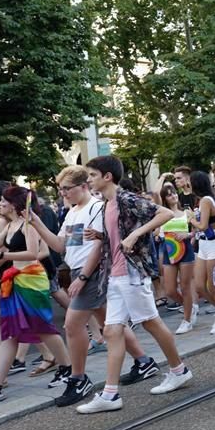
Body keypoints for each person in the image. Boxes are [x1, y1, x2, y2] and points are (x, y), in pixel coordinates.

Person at [30, 166, 156, 406]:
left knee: (72, 324)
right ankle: (143, 361)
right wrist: (36, 222)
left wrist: (83, 277)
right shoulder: (72, 212)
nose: (63, 194)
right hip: (82, 271)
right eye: (61, 190)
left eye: (67, 189)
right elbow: (59, 245)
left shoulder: (96, 208)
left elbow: (100, 246)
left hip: (93, 272)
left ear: (83, 186)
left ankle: (78, 378)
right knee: (111, 322)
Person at [76, 156, 193, 413]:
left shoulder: (126, 199)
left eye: (93, 175)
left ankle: (178, 370)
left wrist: (137, 233)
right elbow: (117, 235)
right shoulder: (106, 204)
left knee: (151, 322)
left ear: (107, 176)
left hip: (131, 273)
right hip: (116, 275)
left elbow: (166, 213)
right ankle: (110, 394)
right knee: (111, 331)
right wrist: (101, 236)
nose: (89, 179)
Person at [0, 186, 73, 404]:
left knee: (43, 329)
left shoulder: (28, 223)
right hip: (14, 280)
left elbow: (32, 253)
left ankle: (68, 368)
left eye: (4, 201)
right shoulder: (10, 224)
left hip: (31, 279)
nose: (0, 204)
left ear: (14, 203)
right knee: (9, 331)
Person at [186, 170, 215, 334]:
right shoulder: (206, 199)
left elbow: (202, 225)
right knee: (199, 286)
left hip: (214, 244)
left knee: (213, 286)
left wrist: (190, 218)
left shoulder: (205, 200)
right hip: (204, 244)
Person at [159, 184, 198, 334]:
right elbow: (157, 231)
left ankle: (187, 320)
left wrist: (187, 235)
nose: (173, 196)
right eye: (169, 194)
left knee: (185, 286)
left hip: (185, 248)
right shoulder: (163, 214)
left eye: (174, 193)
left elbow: (196, 230)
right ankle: (190, 307)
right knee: (169, 290)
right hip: (169, 249)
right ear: (164, 198)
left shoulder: (187, 212)